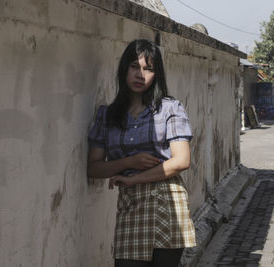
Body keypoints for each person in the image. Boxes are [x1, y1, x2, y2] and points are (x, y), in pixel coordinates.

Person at [87, 39, 196, 267]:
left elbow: (182, 160)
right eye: (135, 67)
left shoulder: (169, 108)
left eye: (148, 69)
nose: (140, 75)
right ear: (124, 69)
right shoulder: (107, 115)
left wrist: (134, 177)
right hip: (130, 204)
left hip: (166, 203)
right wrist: (130, 161)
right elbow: (94, 167)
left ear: (157, 75)